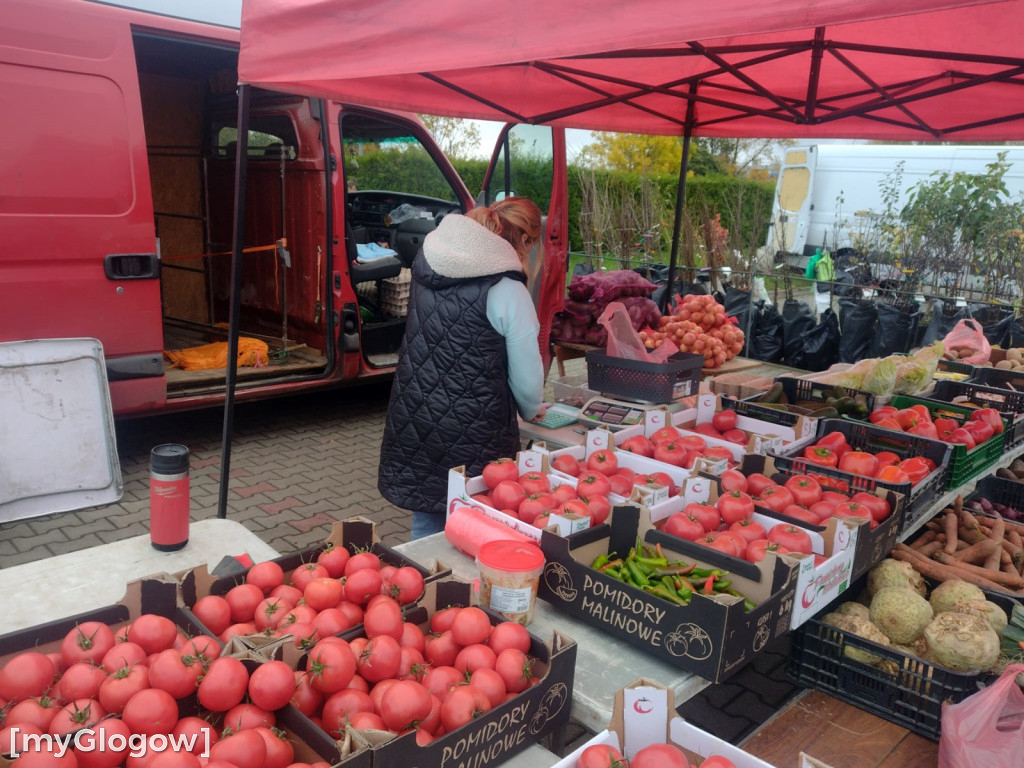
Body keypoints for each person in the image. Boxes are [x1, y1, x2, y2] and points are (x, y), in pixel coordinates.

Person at [378, 197, 547, 540]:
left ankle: (425, 581)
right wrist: (532, 410)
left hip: (417, 412)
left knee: (428, 516)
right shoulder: (508, 290)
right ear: (526, 242)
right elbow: (528, 381)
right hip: (475, 426)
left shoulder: (431, 267)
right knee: (476, 522)